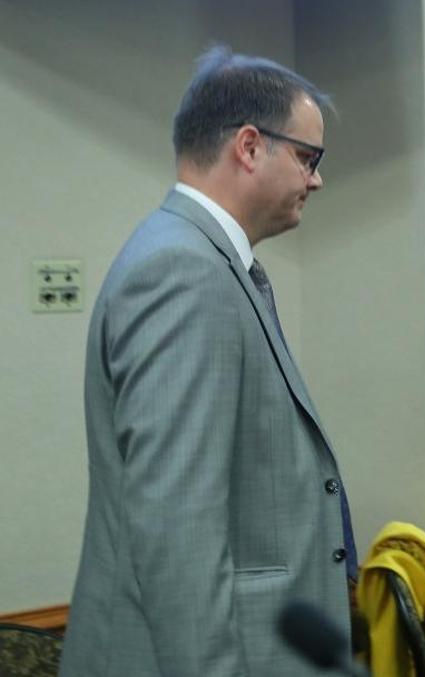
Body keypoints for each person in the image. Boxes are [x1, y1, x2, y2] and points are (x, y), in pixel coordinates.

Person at [60, 47, 357, 677]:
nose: (316, 180)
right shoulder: (183, 272)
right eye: (308, 158)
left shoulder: (204, 260)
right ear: (250, 147)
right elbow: (177, 525)